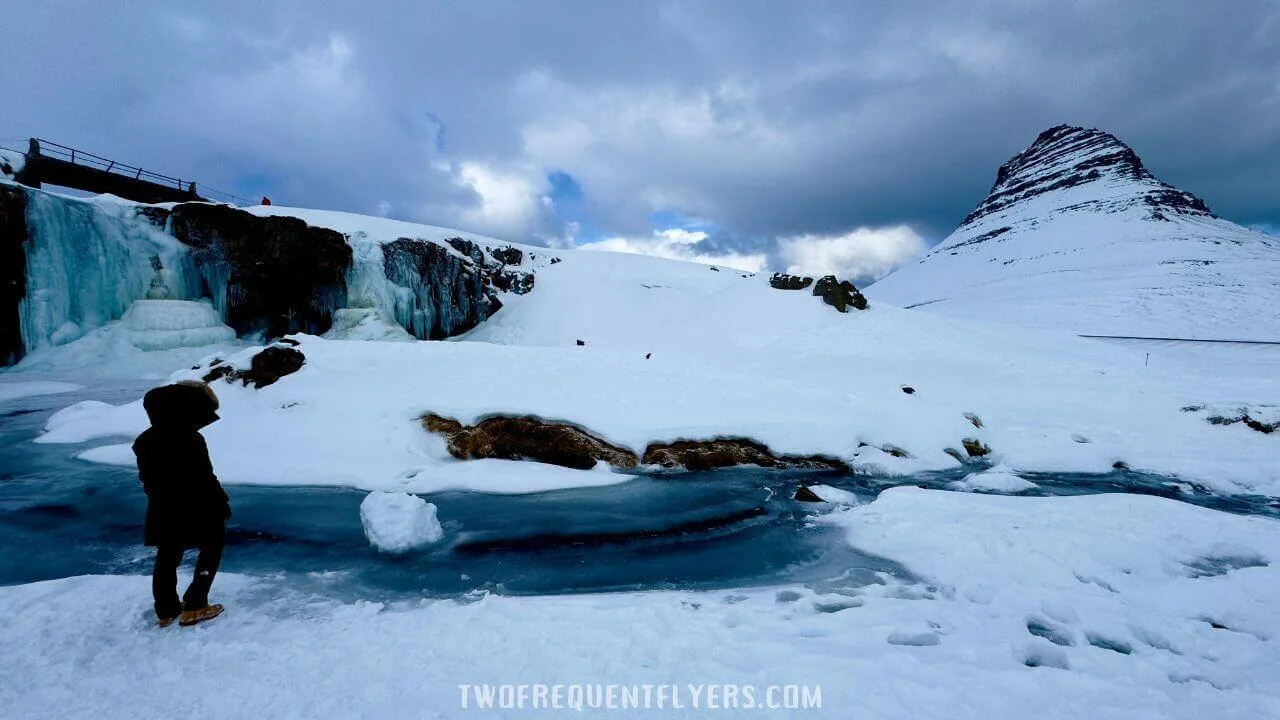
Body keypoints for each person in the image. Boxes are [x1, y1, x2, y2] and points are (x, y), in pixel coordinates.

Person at [132, 380, 231, 627]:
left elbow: (147, 478)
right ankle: (196, 604)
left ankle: (165, 610)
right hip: (198, 504)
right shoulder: (190, 438)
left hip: (162, 507)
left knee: (167, 554)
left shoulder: (144, 440)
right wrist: (221, 502)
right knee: (213, 545)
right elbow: (204, 476)